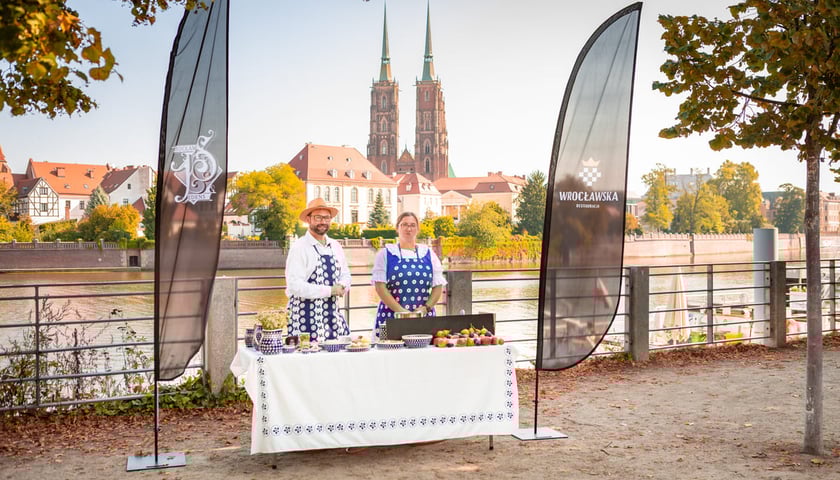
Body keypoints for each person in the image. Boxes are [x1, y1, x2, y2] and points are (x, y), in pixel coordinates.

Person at [372, 211, 446, 339]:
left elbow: (438, 286)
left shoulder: (429, 254)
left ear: (417, 229)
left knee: (424, 354)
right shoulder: (386, 254)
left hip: (423, 317)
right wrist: (402, 312)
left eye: (412, 225)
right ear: (397, 228)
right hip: (391, 316)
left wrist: (425, 308)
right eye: (404, 225)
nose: (409, 228)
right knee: (388, 355)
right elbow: (380, 287)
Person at [285, 198, 351, 342]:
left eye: (326, 218)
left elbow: (346, 274)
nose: (323, 221)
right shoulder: (300, 247)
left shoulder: (335, 246)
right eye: (318, 217)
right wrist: (330, 290)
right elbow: (295, 285)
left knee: (337, 357)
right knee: (307, 361)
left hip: (332, 316)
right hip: (304, 316)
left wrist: (343, 286)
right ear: (308, 219)